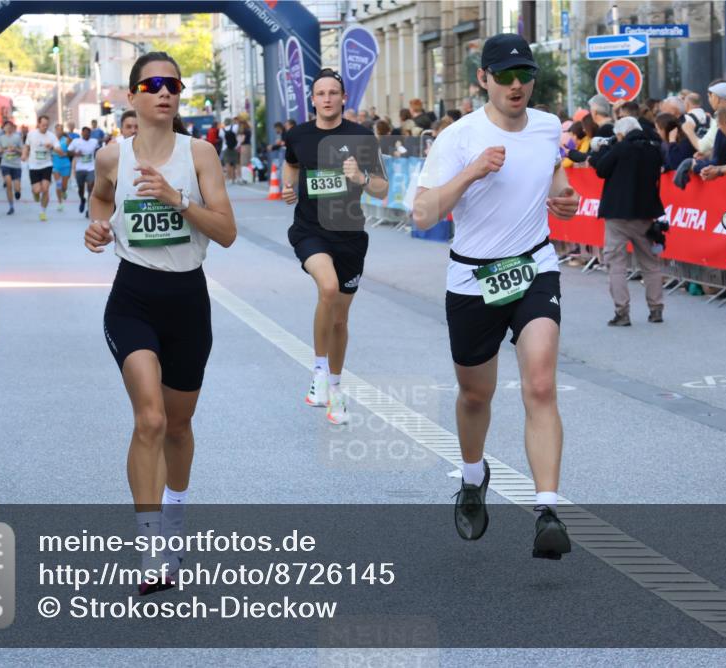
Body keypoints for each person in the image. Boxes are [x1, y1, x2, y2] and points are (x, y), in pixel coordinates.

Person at [412, 33, 580, 558]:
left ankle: (547, 508)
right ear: (482, 79)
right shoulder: (458, 138)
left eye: (523, 75)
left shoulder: (550, 126)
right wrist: (472, 171)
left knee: (540, 384)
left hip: (534, 268)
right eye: (503, 76)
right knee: (475, 395)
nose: (515, 85)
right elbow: (422, 214)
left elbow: (553, 180)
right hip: (472, 280)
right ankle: (471, 476)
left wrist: (563, 200)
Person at [83, 52, 237, 595]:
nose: (163, 92)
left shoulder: (200, 154)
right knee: (148, 419)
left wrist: (177, 200)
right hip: (133, 300)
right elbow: (100, 202)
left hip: (187, 302)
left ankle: (174, 511)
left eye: (172, 83)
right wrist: (97, 230)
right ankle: (150, 546)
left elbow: (226, 231)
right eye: (151, 84)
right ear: (132, 97)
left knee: (177, 424)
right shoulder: (110, 157)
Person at [281, 68, 388, 425]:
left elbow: (382, 189)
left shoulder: (361, 136)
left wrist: (360, 178)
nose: (326, 98)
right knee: (327, 287)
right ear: (312, 99)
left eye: (333, 93)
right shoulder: (298, 135)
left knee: (340, 319)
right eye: (320, 93)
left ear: (343, 98)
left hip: (350, 235)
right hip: (310, 231)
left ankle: (336, 389)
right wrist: (288, 187)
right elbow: (291, 165)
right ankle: (318, 372)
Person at [592, 116, 666, 325]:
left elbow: (601, 169)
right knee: (650, 264)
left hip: (617, 214)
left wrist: (607, 149)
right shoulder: (653, 149)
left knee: (616, 264)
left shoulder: (621, 148)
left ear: (621, 134)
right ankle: (656, 309)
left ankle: (622, 312)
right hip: (645, 214)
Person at [21, 115, 64, 221]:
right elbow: (26, 146)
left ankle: (43, 212)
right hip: (33, 166)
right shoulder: (31, 134)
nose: (45, 127)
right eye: (43, 125)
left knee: (45, 189)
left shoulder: (52, 136)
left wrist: (53, 147)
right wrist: (24, 154)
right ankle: (35, 194)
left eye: (47, 125)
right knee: (37, 190)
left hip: (47, 165)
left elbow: (61, 152)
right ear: (38, 124)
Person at [69, 125, 99, 215]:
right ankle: (82, 199)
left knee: (91, 186)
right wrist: (75, 153)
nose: (86, 135)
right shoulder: (76, 142)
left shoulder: (94, 141)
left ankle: (89, 209)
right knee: (81, 188)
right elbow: (68, 152)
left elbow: (98, 149)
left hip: (91, 168)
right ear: (82, 133)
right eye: (85, 133)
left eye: (88, 133)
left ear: (90, 134)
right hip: (80, 169)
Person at [0, 120, 23, 215]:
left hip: (16, 165)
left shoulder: (17, 137)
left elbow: (22, 151)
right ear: (3, 128)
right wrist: (0, 150)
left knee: (17, 188)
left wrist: (15, 149)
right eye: (6, 126)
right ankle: (11, 206)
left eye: (10, 126)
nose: (8, 127)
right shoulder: (1, 138)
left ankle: (17, 192)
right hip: (5, 164)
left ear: (12, 127)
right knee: (8, 184)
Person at [52, 123, 73, 212]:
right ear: (55, 130)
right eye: (57, 130)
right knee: (58, 184)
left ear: (62, 130)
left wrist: (65, 154)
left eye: (60, 129)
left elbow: (72, 151)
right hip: (56, 164)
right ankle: (60, 203)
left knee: (64, 186)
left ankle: (64, 191)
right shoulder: (52, 140)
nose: (58, 131)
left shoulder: (67, 140)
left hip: (65, 164)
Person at [221, 117, 239, 183]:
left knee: (227, 163)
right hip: (234, 147)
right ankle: (236, 178)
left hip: (225, 148)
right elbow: (238, 126)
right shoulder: (234, 127)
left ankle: (229, 178)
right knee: (236, 163)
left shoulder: (222, 130)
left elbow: (221, 138)